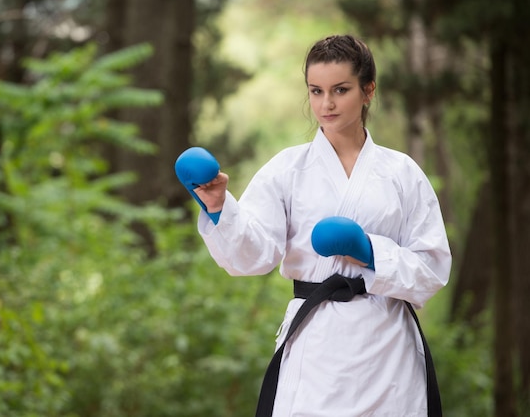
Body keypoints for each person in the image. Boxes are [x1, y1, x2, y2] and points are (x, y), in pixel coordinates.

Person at [176, 34, 452, 417]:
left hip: (387, 349)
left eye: (341, 89)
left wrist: (372, 253)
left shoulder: (402, 173)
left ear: (368, 90)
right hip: (316, 346)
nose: (327, 103)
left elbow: (432, 269)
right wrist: (220, 206)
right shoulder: (287, 170)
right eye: (316, 91)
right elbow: (251, 257)